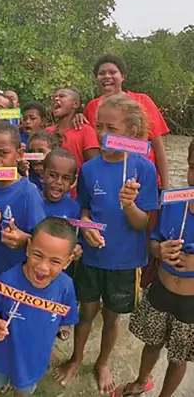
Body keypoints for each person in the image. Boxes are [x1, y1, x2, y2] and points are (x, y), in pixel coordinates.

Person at [53, 94, 159, 395]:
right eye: (99, 126)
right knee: (85, 312)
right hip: (91, 256)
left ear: (133, 133)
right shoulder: (88, 169)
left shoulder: (144, 169)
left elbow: (143, 223)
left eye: (111, 127)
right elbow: (84, 211)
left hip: (125, 261)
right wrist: (86, 229)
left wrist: (129, 205)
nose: (102, 134)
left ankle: (101, 362)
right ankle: (76, 357)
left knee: (112, 317)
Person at [114, 138, 194, 397]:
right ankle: (141, 381)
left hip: (190, 303)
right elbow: (152, 240)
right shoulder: (173, 201)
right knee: (152, 343)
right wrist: (158, 250)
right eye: (193, 166)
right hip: (160, 290)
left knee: (178, 357)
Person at [0, 217, 79, 397]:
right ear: (28, 247)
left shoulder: (66, 287)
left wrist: (56, 337)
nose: (42, 267)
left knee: (23, 391)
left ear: (68, 262)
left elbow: (65, 319)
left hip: (33, 361)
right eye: (37, 255)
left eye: (55, 261)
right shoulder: (7, 279)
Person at [83, 54, 170, 190]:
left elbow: (159, 148)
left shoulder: (143, 101)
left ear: (122, 76)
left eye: (112, 72)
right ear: (96, 79)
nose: (107, 76)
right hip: (111, 181)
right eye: (101, 73)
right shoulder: (91, 107)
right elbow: (91, 144)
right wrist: (75, 116)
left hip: (145, 180)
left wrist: (165, 188)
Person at [0, 123, 46, 280]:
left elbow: (42, 241)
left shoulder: (29, 193)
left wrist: (24, 240)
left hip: (19, 280)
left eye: (3, 153)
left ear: (19, 154)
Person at [40, 149, 82, 339]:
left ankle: (61, 322)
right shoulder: (33, 199)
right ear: (42, 173)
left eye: (65, 178)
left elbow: (76, 237)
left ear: (73, 181)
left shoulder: (74, 208)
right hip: (36, 267)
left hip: (60, 272)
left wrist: (78, 248)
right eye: (52, 175)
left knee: (58, 298)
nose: (58, 183)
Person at [47, 88, 100, 172]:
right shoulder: (47, 131)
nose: (56, 99)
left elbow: (95, 165)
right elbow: (37, 156)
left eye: (62, 96)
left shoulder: (86, 131)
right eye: (54, 97)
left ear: (75, 104)